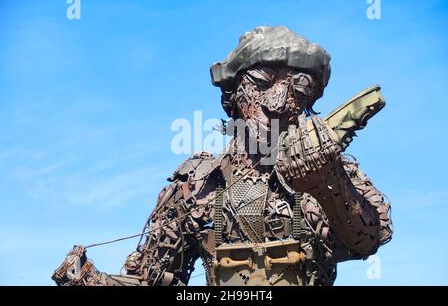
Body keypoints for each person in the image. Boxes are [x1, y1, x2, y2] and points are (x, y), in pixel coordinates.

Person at [52, 26, 392, 286]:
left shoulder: (331, 170)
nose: (276, 103)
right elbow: (152, 280)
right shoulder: (199, 183)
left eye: (297, 88)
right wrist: (89, 280)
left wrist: (328, 182)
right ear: (234, 93)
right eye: (261, 82)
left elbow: (370, 240)